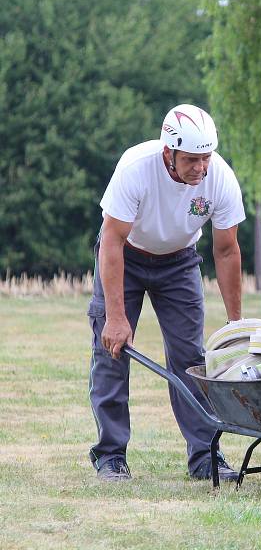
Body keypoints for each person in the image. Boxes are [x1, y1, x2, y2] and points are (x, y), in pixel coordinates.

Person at [88, 104, 245, 482]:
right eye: (191, 159)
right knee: (112, 351)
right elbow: (112, 240)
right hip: (125, 256)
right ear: (168, 153)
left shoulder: (219, 177)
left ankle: (205, 457)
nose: (200, 168)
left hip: (179, 263)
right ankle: (111, 455)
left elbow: (226, 250)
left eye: (206, 158)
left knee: (191, 358)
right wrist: (115, 316)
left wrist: (237, 323)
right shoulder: (136, 168)